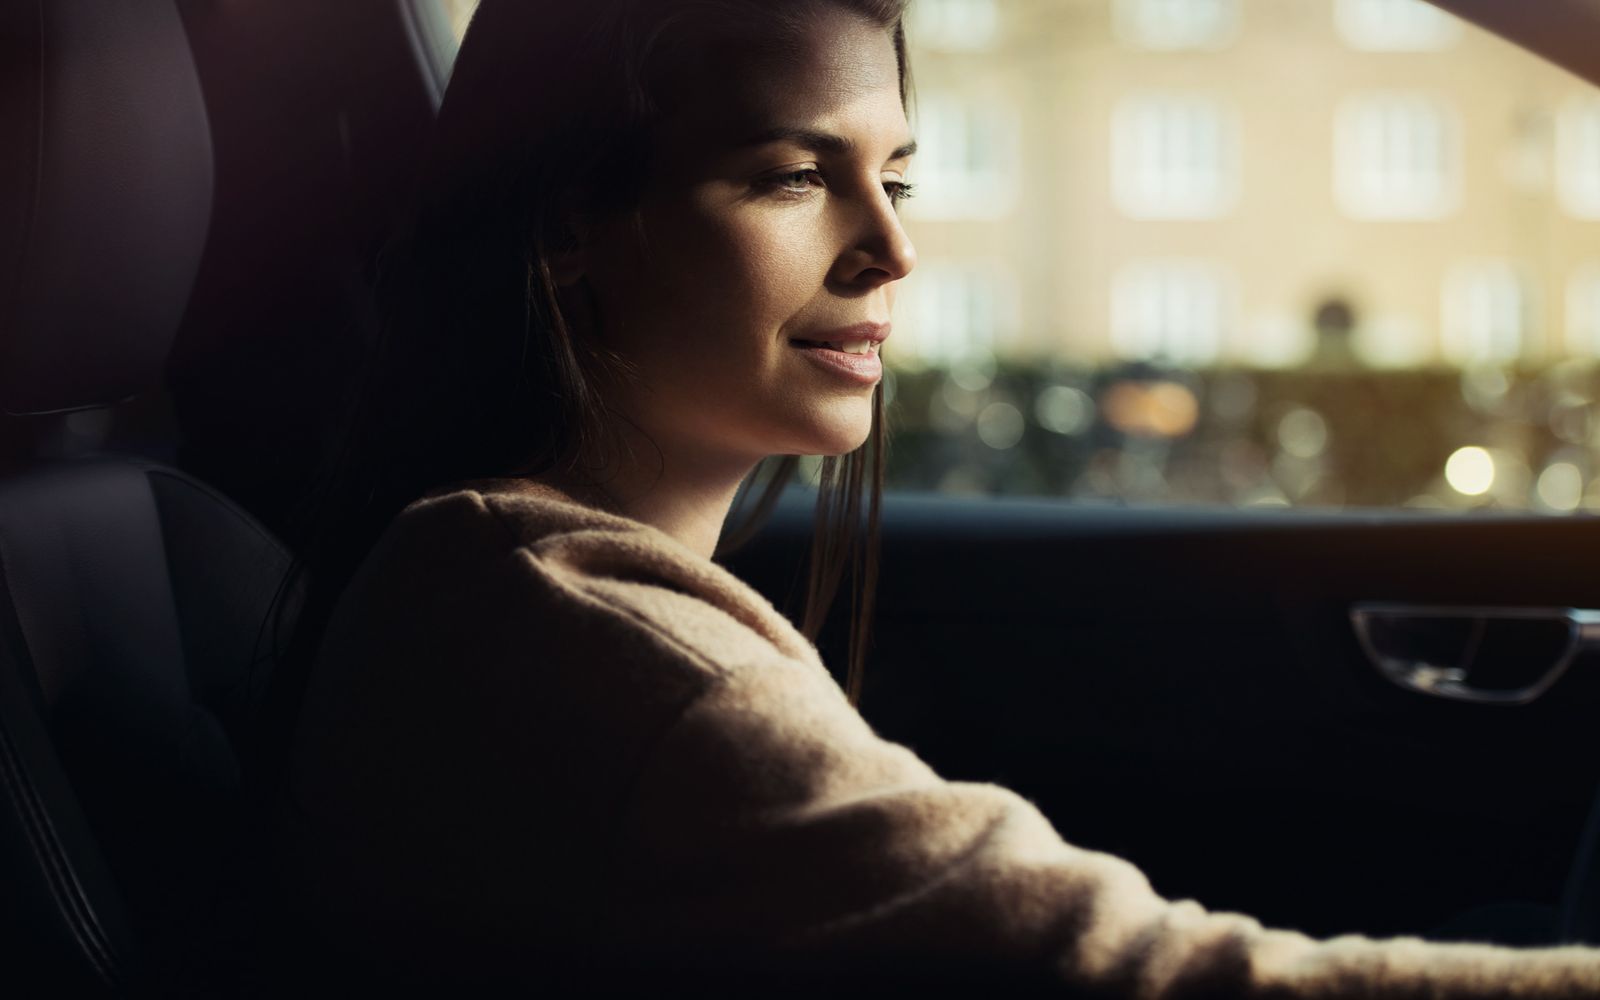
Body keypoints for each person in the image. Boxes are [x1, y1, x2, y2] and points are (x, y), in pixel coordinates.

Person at [268, 0, 1600, 994]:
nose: (893, 247)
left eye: (895, 178)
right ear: (565, 227)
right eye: (794, 176)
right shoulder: (596, 657)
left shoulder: (503, 585)